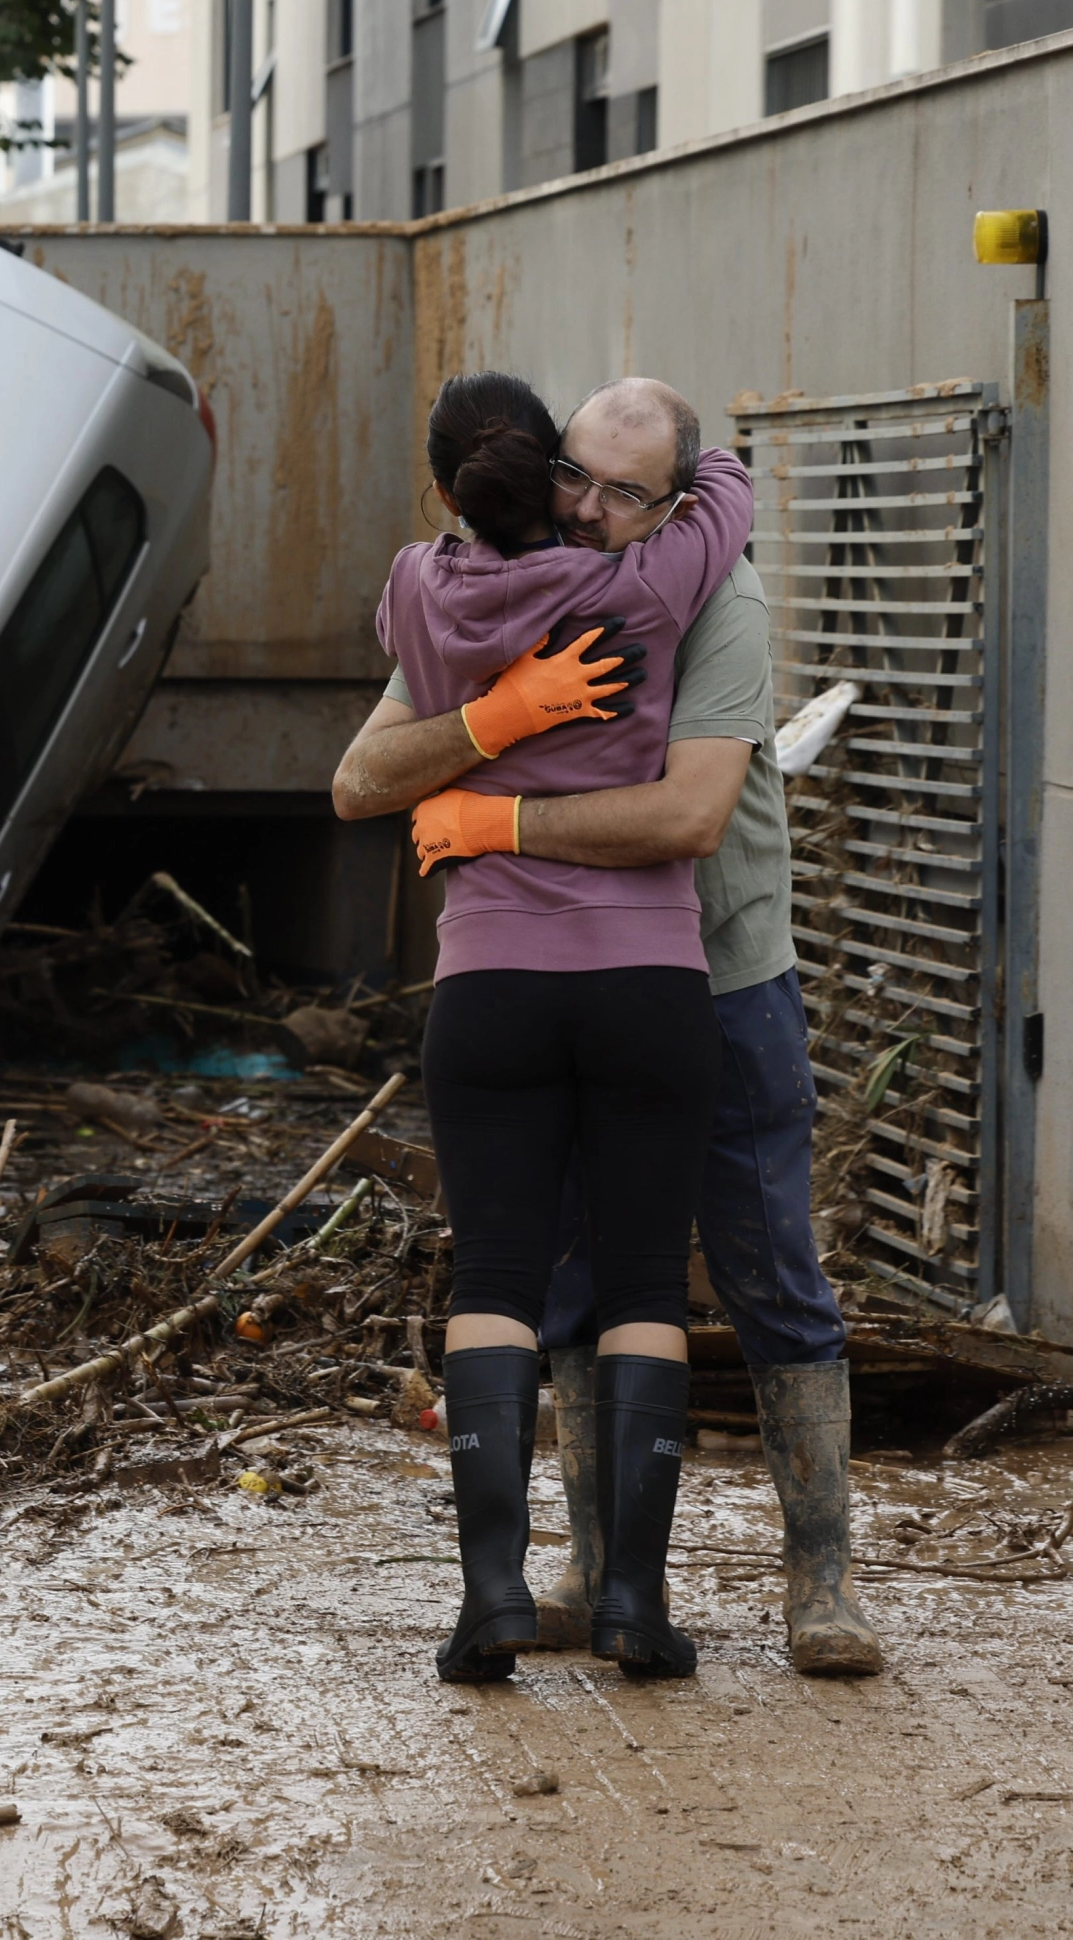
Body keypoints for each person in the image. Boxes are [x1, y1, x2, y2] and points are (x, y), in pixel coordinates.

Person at [335, 381, 881, 1678]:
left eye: (621, 491)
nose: (584, 506)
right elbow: (365, 774)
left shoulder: (716, 598)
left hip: (724, 972)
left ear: (676, 504)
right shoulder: (528, 575)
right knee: (584, 1277)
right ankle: (593, 1568)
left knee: (768, 1269)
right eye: (571, 473)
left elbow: (689, 817)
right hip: (597, 985)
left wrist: (496, 818)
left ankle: (822, 1580)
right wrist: (496, 716)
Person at [367, 371, 750, 1685]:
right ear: (549, 475)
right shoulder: (653, 587)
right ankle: (634, 1609)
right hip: (648, 979)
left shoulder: (419, 589)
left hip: (491, 983)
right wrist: (709, 471)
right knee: (645, 1283)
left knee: (495, 1282)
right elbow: (731, 501)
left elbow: (381, 753)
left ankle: (494, 1605)